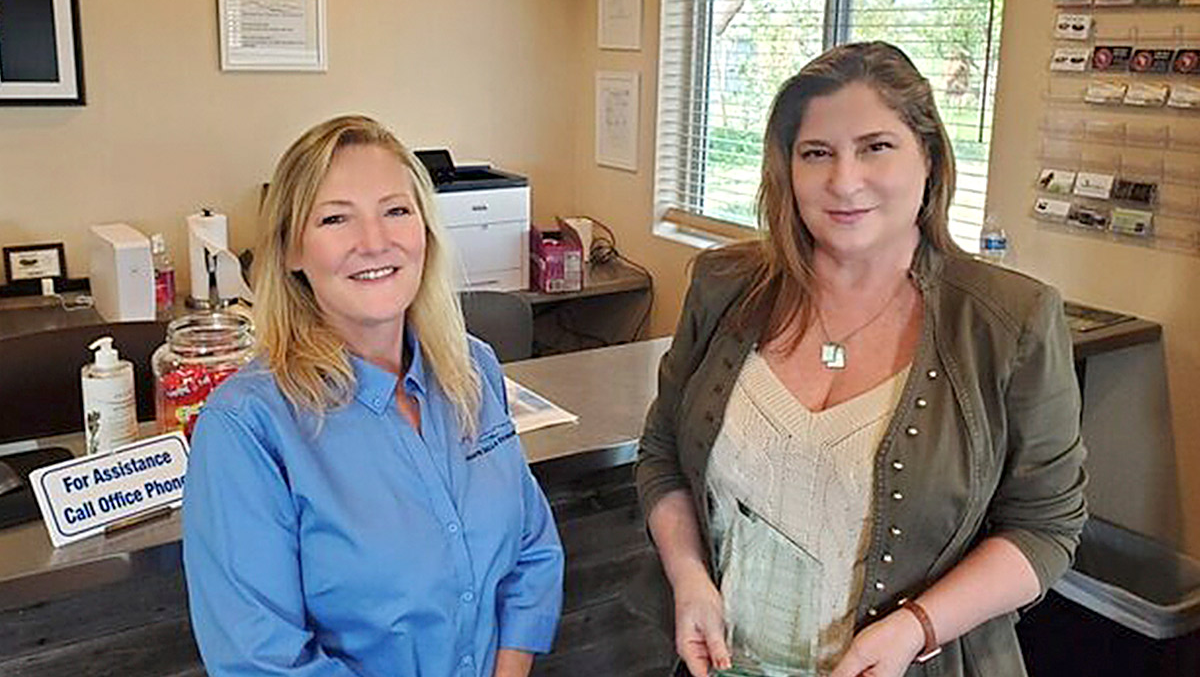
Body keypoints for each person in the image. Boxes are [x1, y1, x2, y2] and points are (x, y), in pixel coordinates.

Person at [631, 42, 1087, 677]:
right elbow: (662, 455)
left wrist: (915, 627)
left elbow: (1045, 527)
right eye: (816, 153)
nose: (844, 182)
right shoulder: (724, 285)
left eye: (876, 147)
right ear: (787, 168)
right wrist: (689, 578)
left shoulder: (1011, 322)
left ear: (929, 157)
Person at [182, 115, 564, 677]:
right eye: (336, 218)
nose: (375, 242)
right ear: (290, 250)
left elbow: (532, 550)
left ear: (426, 229)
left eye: (396, 211)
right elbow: (260, 661)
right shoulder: (246, 426)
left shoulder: (473, 369)